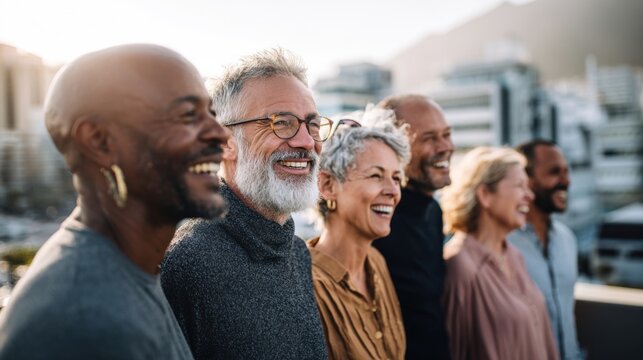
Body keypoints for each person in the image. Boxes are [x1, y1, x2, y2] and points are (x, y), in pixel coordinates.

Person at [0, 44, 229, 359]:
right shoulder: (86, 322)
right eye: (188, 115)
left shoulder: (131, 272)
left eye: (211, 114)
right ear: (100, 142)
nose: (220, 134)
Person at [160, 48, 328, 359]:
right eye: (281, 122)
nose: (306, 141)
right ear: (225, 143)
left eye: (312, 125)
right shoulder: (187, 264)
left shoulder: (299, 254)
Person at [309, 107, 410, 360]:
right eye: (376, 175)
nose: (392, 191)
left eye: (396, 178)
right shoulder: (305, 285)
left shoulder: (376, 262)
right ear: (328, 185)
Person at [441, 147, 559, 360]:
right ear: (485, 194)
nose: (530, 196)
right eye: (519, 186)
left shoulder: (514, 256)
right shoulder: (460, 264)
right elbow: (453, 351)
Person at [373, 94, 453, 359]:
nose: (445, 147)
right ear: (393, 147)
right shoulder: (376, 220)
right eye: (429, 139)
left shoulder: (433, 211)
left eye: (446, 134)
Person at [509, 140, 583, 360]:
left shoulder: (567, 239)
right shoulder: (503, 244)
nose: (566, 181)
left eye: (566, 172)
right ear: (526, 180)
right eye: (554, 172)